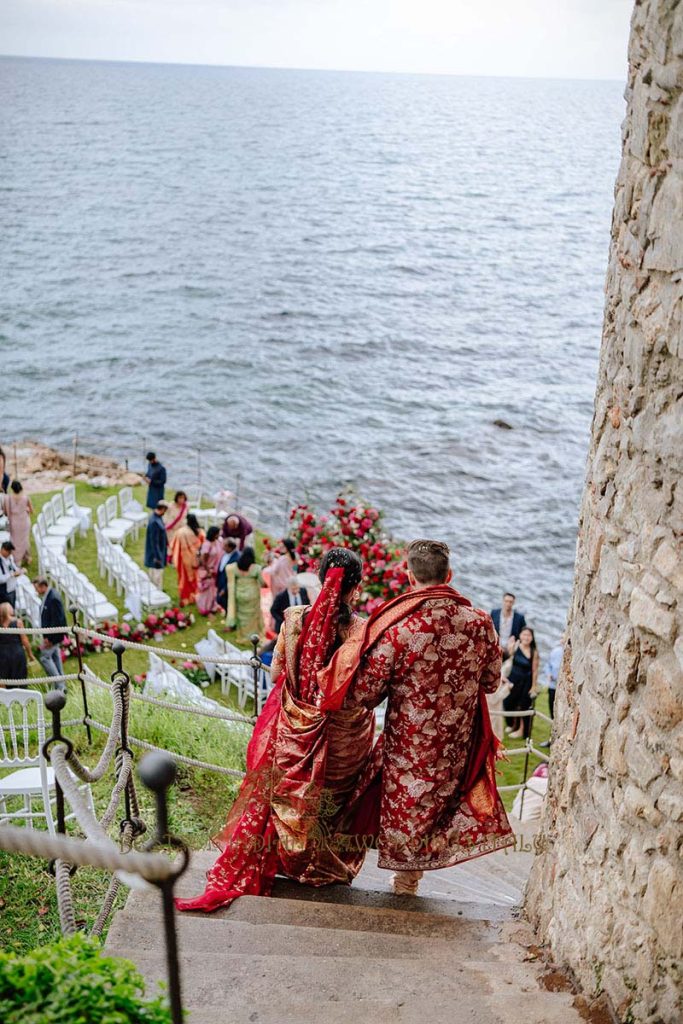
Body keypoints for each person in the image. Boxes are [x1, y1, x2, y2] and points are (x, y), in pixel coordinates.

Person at [176, 548, 376, 913]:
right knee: (330, 802)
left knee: (290, 797)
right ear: (356, 588)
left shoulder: (294, 620)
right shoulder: (363, 632)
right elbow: (363, 692)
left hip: (294, 733)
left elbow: (276, 673)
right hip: (343, 740)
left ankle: (288, 858)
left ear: (318, 578)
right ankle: (315, 865)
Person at [325, 539, 514, 897]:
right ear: (449, 575)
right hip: (456, 744)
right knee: (438, 809)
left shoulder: (400, 630)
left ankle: (403, 882)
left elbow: (366, 694)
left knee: (406, 807)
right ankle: (408, 883)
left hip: (409, 744)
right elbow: (491, 682)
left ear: (409, 577)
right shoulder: (479, 623)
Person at [503, 626, 540, 740]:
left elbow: (535, 671)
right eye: (524, 634)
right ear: (520, 635)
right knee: (509, 703)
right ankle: (513, 725)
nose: (526, 637)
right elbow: (507, 657)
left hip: (526, 682)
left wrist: (533, 686)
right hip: (513, 679)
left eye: (529, 635)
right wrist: (510, 647)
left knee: (523, 706)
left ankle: (522, 730)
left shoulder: (534, 652)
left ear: (532, 638)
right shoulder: (515, 647)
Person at [225, 546, 266, 640]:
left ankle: (243, 635)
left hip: (239, 594)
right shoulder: (256, 568)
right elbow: (262, 583)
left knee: (242, 615)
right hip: (253, 595)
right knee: (252, 615)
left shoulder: (235, 567)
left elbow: (229, 572)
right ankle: (252, 636)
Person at [33, 577, 67, 688]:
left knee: (45, 657)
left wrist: (50, 639)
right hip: (51, 636)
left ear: (43, 586)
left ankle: (59, 685)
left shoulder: (53, 598)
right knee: (55, 657)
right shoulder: (48, 596)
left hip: (53, 637)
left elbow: (57, 620)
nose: (36, 591)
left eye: (36, 588)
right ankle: (62, 685)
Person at [170, 513, 204, 605]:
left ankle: (186, 597)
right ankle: (196, 594)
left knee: (185, 579)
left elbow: (173, 545)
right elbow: (203, 544)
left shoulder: (181, 532)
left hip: (184, 559)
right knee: (195, 577)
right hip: (196, 558)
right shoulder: (200, 531)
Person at [0, 601, 37, 682]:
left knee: (7, 681)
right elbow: (25, 640)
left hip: (3, 655)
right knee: (21, 679)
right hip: (17, 653)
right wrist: (30, 654)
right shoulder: (17, 622)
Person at [539, 634, 564, 747]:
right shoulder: (556, 651)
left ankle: (556, 741)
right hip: (552, 686)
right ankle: (551, 740)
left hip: (561, 688)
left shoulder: (569, 653)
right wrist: (548, 674)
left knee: (560, 715)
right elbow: (547, 665)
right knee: (552, 714)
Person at [2, 481, 33, 566]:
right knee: (25, 540)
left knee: (15, 540)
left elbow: (5, 512)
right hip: (24, 522)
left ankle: (16, 559)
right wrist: (25, 510)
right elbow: (31, 510)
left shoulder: (7, 498)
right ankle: (27, 557)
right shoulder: (25, 498)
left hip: (14, 523)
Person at [196, 526, 224, 615]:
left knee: (213, 590)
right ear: (213, 534)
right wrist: (208, 571)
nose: (218, 535)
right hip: (208, 570)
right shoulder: (207, 544)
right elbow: (203, 559)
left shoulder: (218, 542)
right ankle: (205, 607)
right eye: (217, 533)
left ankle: (213, 606)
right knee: (207, 591)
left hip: (216, 569)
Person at [144, 500, 169, 590]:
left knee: (155, 575)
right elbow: (154, 541)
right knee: (156, 576)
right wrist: (158, 557)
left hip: (158, 552)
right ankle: (157, 593)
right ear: (162, 509)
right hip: (155, 555)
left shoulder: (156, 518)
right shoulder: (155, 521)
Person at [216, 539, 239, 612]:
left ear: (230, 547)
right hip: (221, 582)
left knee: (226, 602)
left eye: (225, 546)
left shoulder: (237, 558)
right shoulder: (225, 554)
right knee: (220, 600)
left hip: (227, 585)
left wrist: (225, 589)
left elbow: (233, 576)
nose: (223, 547)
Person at [164, 491, 189, 556]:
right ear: (176, 498)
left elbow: (186, 516)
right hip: (171, 528)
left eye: (183, 498)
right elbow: (166, 514)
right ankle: (171, 557)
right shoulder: (171, 505)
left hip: (181, 528)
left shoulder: (186, 506)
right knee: (172, 544)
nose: (181, 500)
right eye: (180, 498)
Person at [0, 540, 23, 609]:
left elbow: (13, 567)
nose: (10, 554)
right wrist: (12, 575)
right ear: (3, 549)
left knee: (12, 608)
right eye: (8, 551)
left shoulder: (10, 558)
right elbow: (1, 579)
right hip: (3, 592)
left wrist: (19, 571)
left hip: (12, 588)